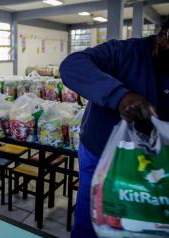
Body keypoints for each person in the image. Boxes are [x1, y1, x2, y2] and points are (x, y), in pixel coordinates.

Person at [60, 17, 169, 237]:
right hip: (103, 156)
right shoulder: (123, 51)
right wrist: (120, 97)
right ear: (163, 38)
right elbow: (72, 65)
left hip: (156, 165)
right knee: (92, 220)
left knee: (142, 225)